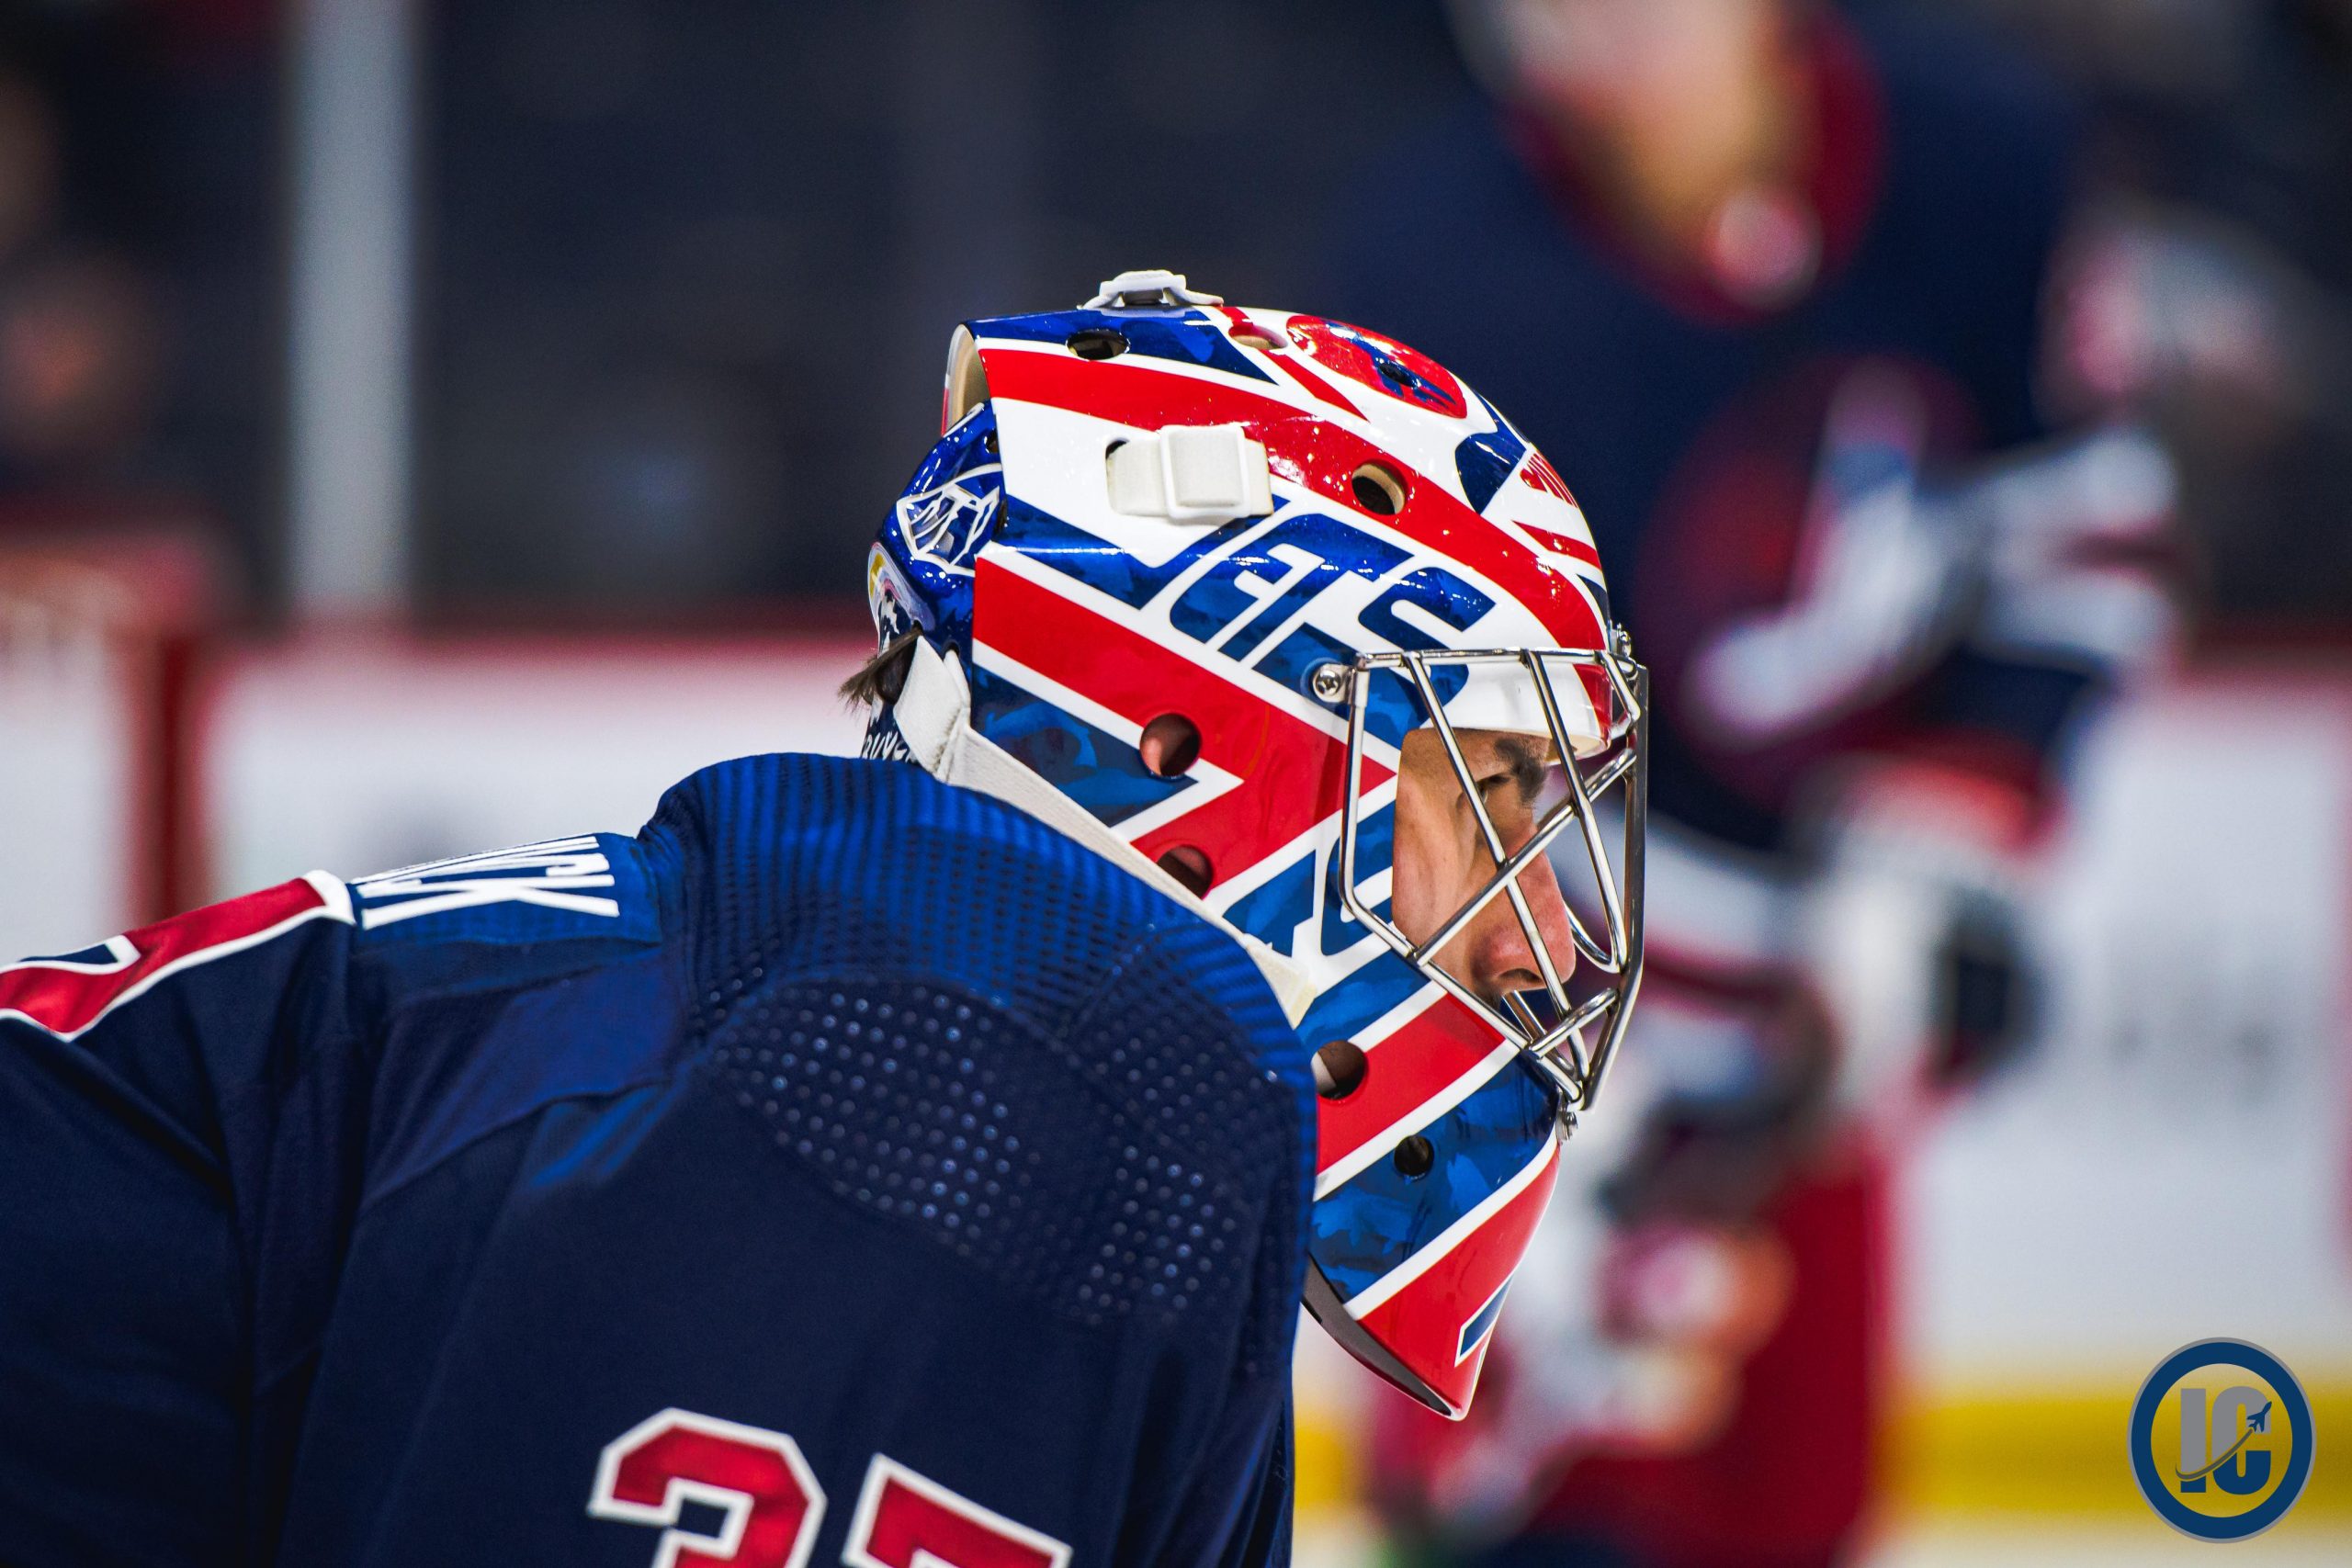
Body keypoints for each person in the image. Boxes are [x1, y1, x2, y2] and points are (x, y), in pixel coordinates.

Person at [0, 270, 1648, 1566]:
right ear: (1198, 728)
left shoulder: (1028, 1100)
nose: (1541, 945)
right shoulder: (953, 1057)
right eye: (1489, 796)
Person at [1319, 4, 2165, 1564]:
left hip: (1824, 998)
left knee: (1800, 1504)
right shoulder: (1433, 264)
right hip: (1552, 1032)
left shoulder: (1979, 161)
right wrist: (1524, 1088)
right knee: (1561, 1500)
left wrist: (1946, 833)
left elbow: (2080, 539)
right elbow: (1418, 739)